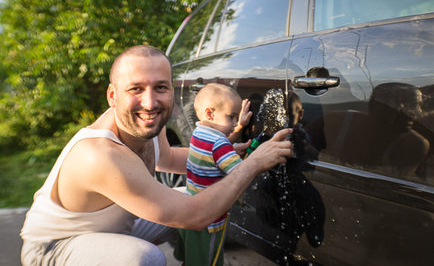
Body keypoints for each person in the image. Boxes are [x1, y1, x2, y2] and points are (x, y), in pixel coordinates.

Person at [20, 45, 293, 266]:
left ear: (171, 90)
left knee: (195, 196)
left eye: (160, 87)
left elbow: (170, 158)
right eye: (135, 88)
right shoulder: (101, 155)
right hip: (56, 249)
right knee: (144, 257)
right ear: (112, 95)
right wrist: (255, 163)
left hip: (114, 230)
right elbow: (196, 216)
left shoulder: (144, 125)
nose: (150, 103)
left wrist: (223, 149)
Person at [173, 83, 251, 266]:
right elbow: (241, 173)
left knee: (191, 256)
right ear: (210, 113)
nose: (234, 123)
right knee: (209, 261)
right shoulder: (220, 145)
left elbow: (215, 149)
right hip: (209, 219)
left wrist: (238, 128)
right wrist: (260, 157)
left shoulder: (199, 133)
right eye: (231, 117)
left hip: (190, 208)